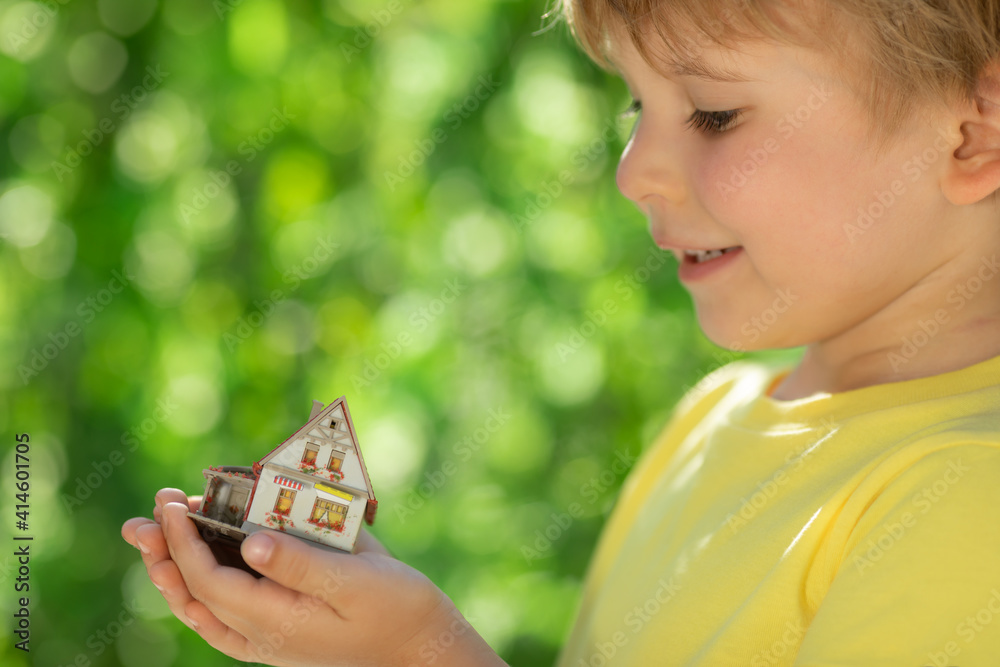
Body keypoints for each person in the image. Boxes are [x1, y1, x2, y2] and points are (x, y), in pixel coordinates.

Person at [123, 0, 1000, 664]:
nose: (634, 172)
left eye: (713, 113)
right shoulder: (712, 421)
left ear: (972, 134)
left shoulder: (968, 502)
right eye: (634, 109)